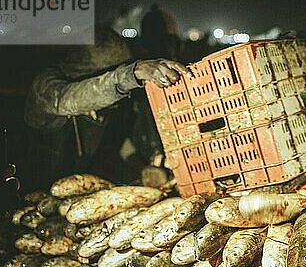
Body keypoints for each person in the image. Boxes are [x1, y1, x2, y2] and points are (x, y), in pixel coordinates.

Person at [23, 25, 190, 189]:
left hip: (77, 192)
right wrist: (130, 75)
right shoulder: (45, 86)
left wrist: (141, 167)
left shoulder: (107, 103)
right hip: (33, 193)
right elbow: (70, 99)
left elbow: (117, 140)